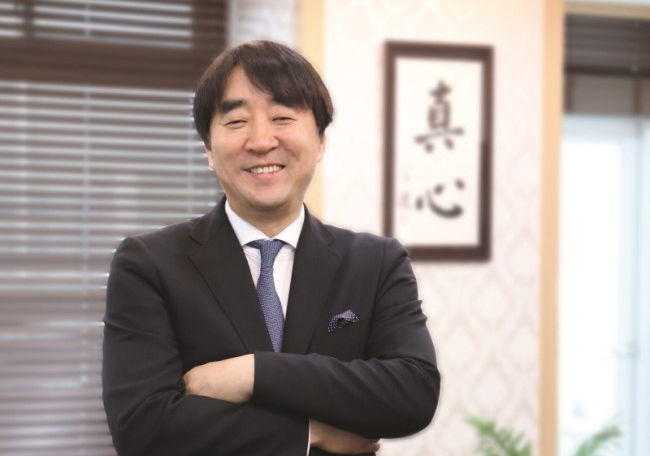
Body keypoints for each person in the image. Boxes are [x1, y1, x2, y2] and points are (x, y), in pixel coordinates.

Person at [102, 40, 440, 456]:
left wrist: (254, 373)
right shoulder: (149, 264)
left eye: (282, 117)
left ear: (320, 141)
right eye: (236, 121)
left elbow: (413, 392)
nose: (261, 141)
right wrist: (310, 433)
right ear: (208, 149)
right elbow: (143, 428)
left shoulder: (377, 262)